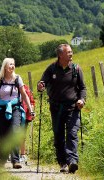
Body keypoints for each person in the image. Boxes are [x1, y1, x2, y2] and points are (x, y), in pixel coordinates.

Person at [37, 44, 86, 173]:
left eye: (71, 51)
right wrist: (40, 86)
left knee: (72, 133)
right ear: (60, 55)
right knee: (58, 136)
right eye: (68, 52)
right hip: (56, 108)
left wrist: (82, 99)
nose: (71, 54)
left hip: (73, 107)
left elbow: (83, 88)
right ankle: (63, 163)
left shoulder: (76, 69)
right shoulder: (51, 69)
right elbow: (42, 83)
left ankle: (72, 161)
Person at [0, 58, 35, 169]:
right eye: (10, 64)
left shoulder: (17, 78)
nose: (12, 66)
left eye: (13, 64)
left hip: (15, 108)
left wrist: (30, 109)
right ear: (5, 66)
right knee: (4, 135)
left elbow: (24, 95)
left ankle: (15, 160)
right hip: (2, 109)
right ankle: (3, 160)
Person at [19, 84, 35, 164]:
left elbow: (32, 102)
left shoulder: (26, 89)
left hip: (25, 114)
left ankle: (22, 154)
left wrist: (32, 111)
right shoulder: (11, 87)